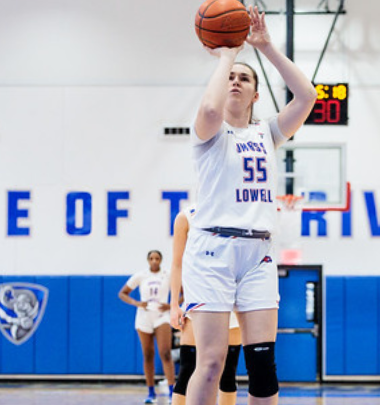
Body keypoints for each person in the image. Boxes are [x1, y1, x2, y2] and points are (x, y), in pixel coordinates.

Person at [183, 6, 317, 405]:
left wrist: (267, 48)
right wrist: (228, 51)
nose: (236, 81)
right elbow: (209, 108)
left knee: (263, 364)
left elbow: (307, 96)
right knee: (210, 363)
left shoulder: (266, 133)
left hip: (258, 252)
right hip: (212, 251)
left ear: (256, 94)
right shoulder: (209, 132)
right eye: (231, 78)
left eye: (244, 77)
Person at [170, 208, 243, 405]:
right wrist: (174, 305)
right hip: (198, 302)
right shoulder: (186, 217)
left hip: (231, 303)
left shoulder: (236, 213)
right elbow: (177, 264)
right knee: (188, 370)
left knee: (228, 373)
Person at [118, 250, 176, 404]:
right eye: (152, 258)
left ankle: (172, 392)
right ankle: (151, 393)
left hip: (162, 315)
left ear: (161, 260)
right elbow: (122, 293)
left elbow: (183, 292)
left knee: (165, 353)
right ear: (148, 260)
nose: (154, 261)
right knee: (148, 354)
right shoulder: (141, 275)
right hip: (144, 316)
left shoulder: (168, 274)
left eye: (157, 258)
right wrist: (136, 303)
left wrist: (171, 305)